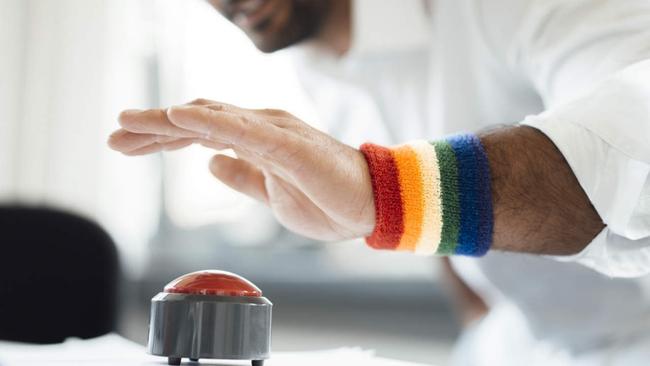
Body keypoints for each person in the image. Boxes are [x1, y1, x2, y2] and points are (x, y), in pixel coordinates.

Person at [108, 0, 650, 364]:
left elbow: (637, 140)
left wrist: (384, 192)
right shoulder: (316, 59)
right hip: (521, 342)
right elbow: (447, 242)